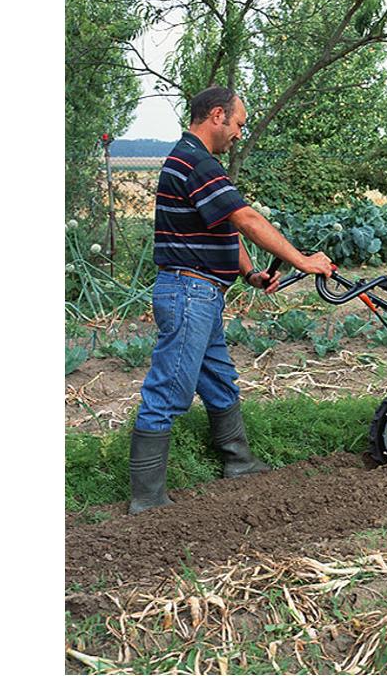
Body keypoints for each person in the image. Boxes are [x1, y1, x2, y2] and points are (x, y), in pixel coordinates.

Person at [128, 86, 333, 515]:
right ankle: (146, 499)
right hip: (189, 292)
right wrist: (301, 260)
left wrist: (252, 274)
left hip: (202, 293)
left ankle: (238, 462)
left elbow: (224, 229)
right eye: (239, 123)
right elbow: (246, 218)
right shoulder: (195, 161)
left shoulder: (198, 162)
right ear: (217, 115)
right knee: (168, 390)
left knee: (219, 381)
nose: (240, 133)